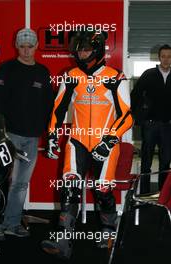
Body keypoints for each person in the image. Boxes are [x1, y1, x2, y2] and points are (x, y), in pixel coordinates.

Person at [41, 28, 133, 259]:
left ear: (98, 49)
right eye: (79, 50)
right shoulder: (71, 75)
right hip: (77, 140)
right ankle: (63, 239)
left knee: (103, 191)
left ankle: (108, 230)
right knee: (70, 187)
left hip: (106, 143)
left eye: (86, 49)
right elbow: (58, 109)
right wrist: (52, 135)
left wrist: (110, 140)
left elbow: (127, 116)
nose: (81, 54)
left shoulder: (116, 76)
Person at [0, 28, 54, 239]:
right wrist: (0, 135)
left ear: (37, 46)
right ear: (16, 46)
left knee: (20, 184)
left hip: (31, 138)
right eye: (22, 46)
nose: (27, 50)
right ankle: (0, 225)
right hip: (8, 136)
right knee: (0, 182)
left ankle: (10, 224)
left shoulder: (42, 72)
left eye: (30, 46)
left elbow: (49, 106)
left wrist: (48, 135)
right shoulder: (6, 69)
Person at [131, 44, 171, 194]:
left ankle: (163, 194)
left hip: (168, 126)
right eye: (164, 56)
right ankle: (145, 193)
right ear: (159, 57)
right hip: (150, 125)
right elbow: (135, 95)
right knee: (146, 161)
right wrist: (136, 117)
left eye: (169, 56)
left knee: (165, 163)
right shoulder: (148, 74)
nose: (166, 59)